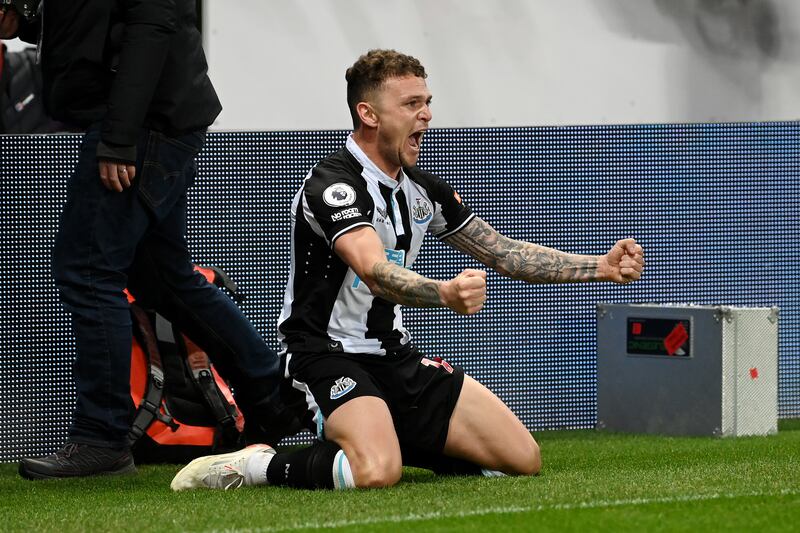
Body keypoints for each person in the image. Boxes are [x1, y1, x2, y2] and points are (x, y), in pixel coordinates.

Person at [171, 49, 645, 491]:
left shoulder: (421, 190)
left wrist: (598, 267)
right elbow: (375, 270)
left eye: (428, 101)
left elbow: (501, 254)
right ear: (369, 115)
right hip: (325, 354)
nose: (427, 114)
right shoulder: (333, 186)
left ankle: (392, 432)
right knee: (377, 472)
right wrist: (445, 294)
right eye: (412, 103)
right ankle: (254, 463)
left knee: (521, 459)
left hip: (394, 355)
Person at [1, 1, 295, 480]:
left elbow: (151, 24)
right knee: (164, 279)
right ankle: (273, 396)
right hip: (151, 120)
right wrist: (30, 23)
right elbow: (101, 22)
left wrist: (120, 137)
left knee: (90, 271)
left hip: (141, 124)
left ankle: (102, 438)